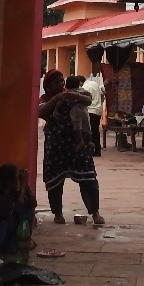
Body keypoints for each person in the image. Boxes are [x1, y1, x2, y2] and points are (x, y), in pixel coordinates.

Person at [38, 69, 103, 226]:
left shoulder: (72, 93)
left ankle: (95, 212)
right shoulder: (46, 99)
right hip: (56, 145)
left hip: (77, 144)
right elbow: (40, 111)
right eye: (57, 82)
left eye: (62, 81)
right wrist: (56, 99)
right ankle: (58, 213)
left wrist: (71, 95)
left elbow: (88, 100)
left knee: (88, 178)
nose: (61, 84)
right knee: (54, 181)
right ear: (48, 86)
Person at [0, 163, 36, 259]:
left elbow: (32, 203)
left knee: (28, 210)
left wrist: (26, 184)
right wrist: (23, 185)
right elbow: (18, 209)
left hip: (7, 235)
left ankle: (19, 244)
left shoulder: (12, 193)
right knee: (10, 219)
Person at [82, 67, 106, 157]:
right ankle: (97, 150)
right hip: (98, 111)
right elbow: (102, 94)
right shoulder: (95, 84)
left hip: (90, 110)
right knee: (96, 131)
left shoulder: (85, 87)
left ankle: (91, 150)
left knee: (89, 131)